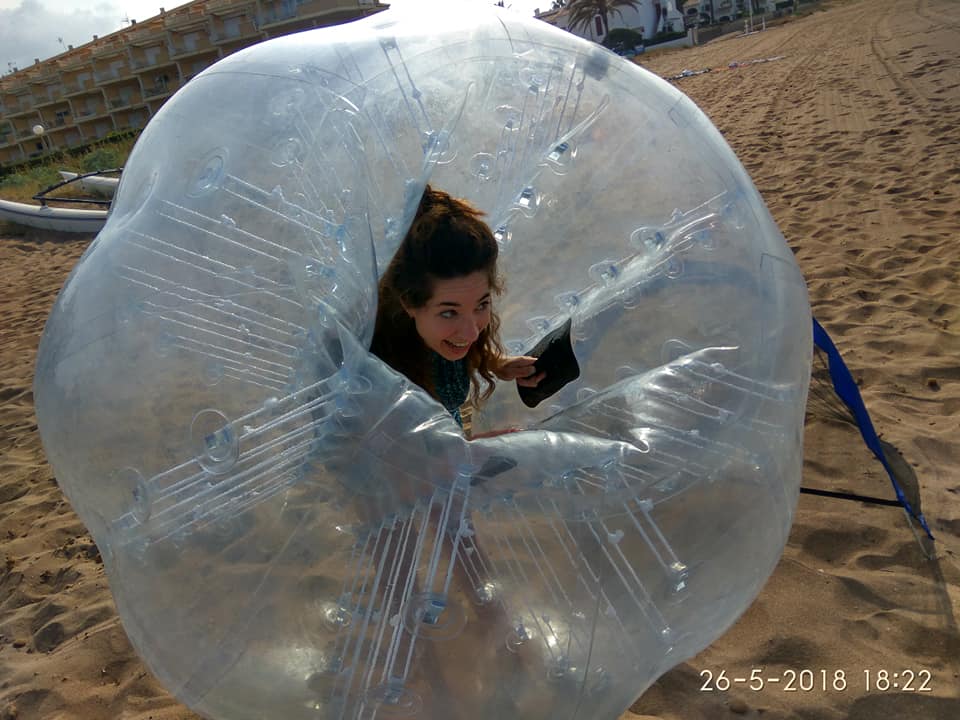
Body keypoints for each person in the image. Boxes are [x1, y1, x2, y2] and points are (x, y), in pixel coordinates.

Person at [370, 185, 543, 431]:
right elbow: (387, 462)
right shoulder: (377, 381)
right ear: (409, 303)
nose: (472, 333)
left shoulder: (439, 338)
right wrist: (473, 452)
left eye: (482, 304)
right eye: (449, 312)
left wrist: (495, 363)